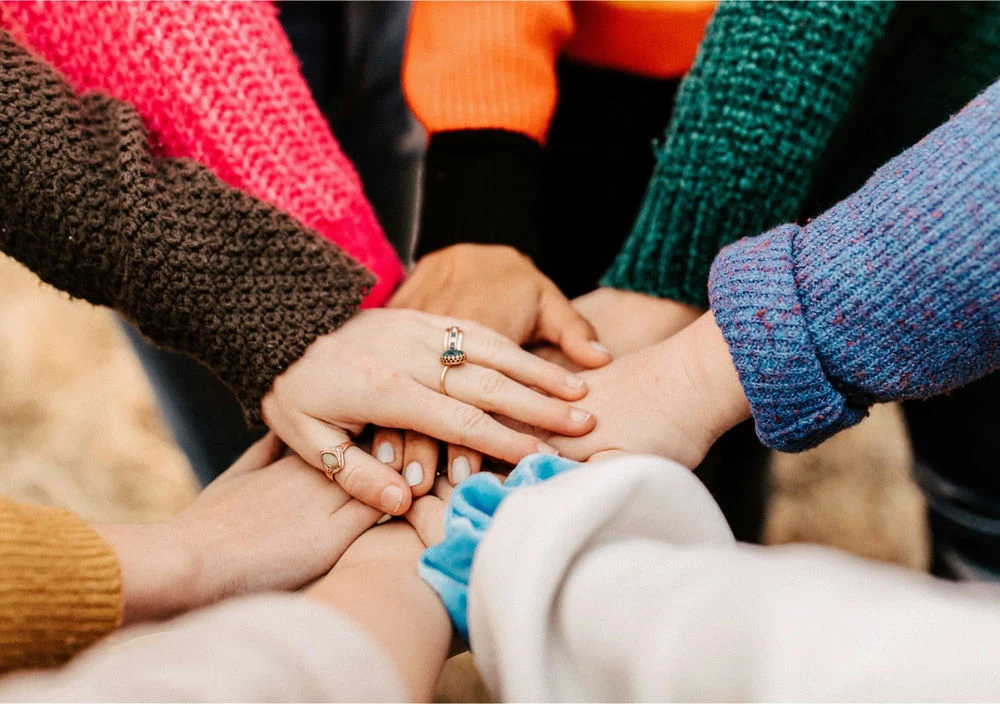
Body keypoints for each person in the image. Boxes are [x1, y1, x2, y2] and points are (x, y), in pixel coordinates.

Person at [0, 30, 595, 516]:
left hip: (404, 27)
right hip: (149, 107)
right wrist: (257, 296)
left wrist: (478, 201)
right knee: (306, 503)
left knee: (399, 390)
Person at [2, 0, 419, 481]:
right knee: (295, 497)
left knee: (394, 339)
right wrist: (248, 293)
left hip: (374, 23)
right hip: (157, 68)